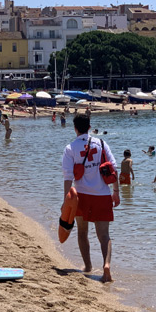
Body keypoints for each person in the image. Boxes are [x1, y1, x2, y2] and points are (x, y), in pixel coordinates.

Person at [62, 115, 119, 283]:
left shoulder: (70, 148)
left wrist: (67, 200)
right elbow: (113, 168)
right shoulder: (101, 144)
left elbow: (67, 177)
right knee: (104, 235)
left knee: (82, 231)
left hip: (81, 196)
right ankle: (106, 266)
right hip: (102, 194)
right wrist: (116, 192)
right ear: (89, 126)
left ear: (75, 128)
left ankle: (87, 267)